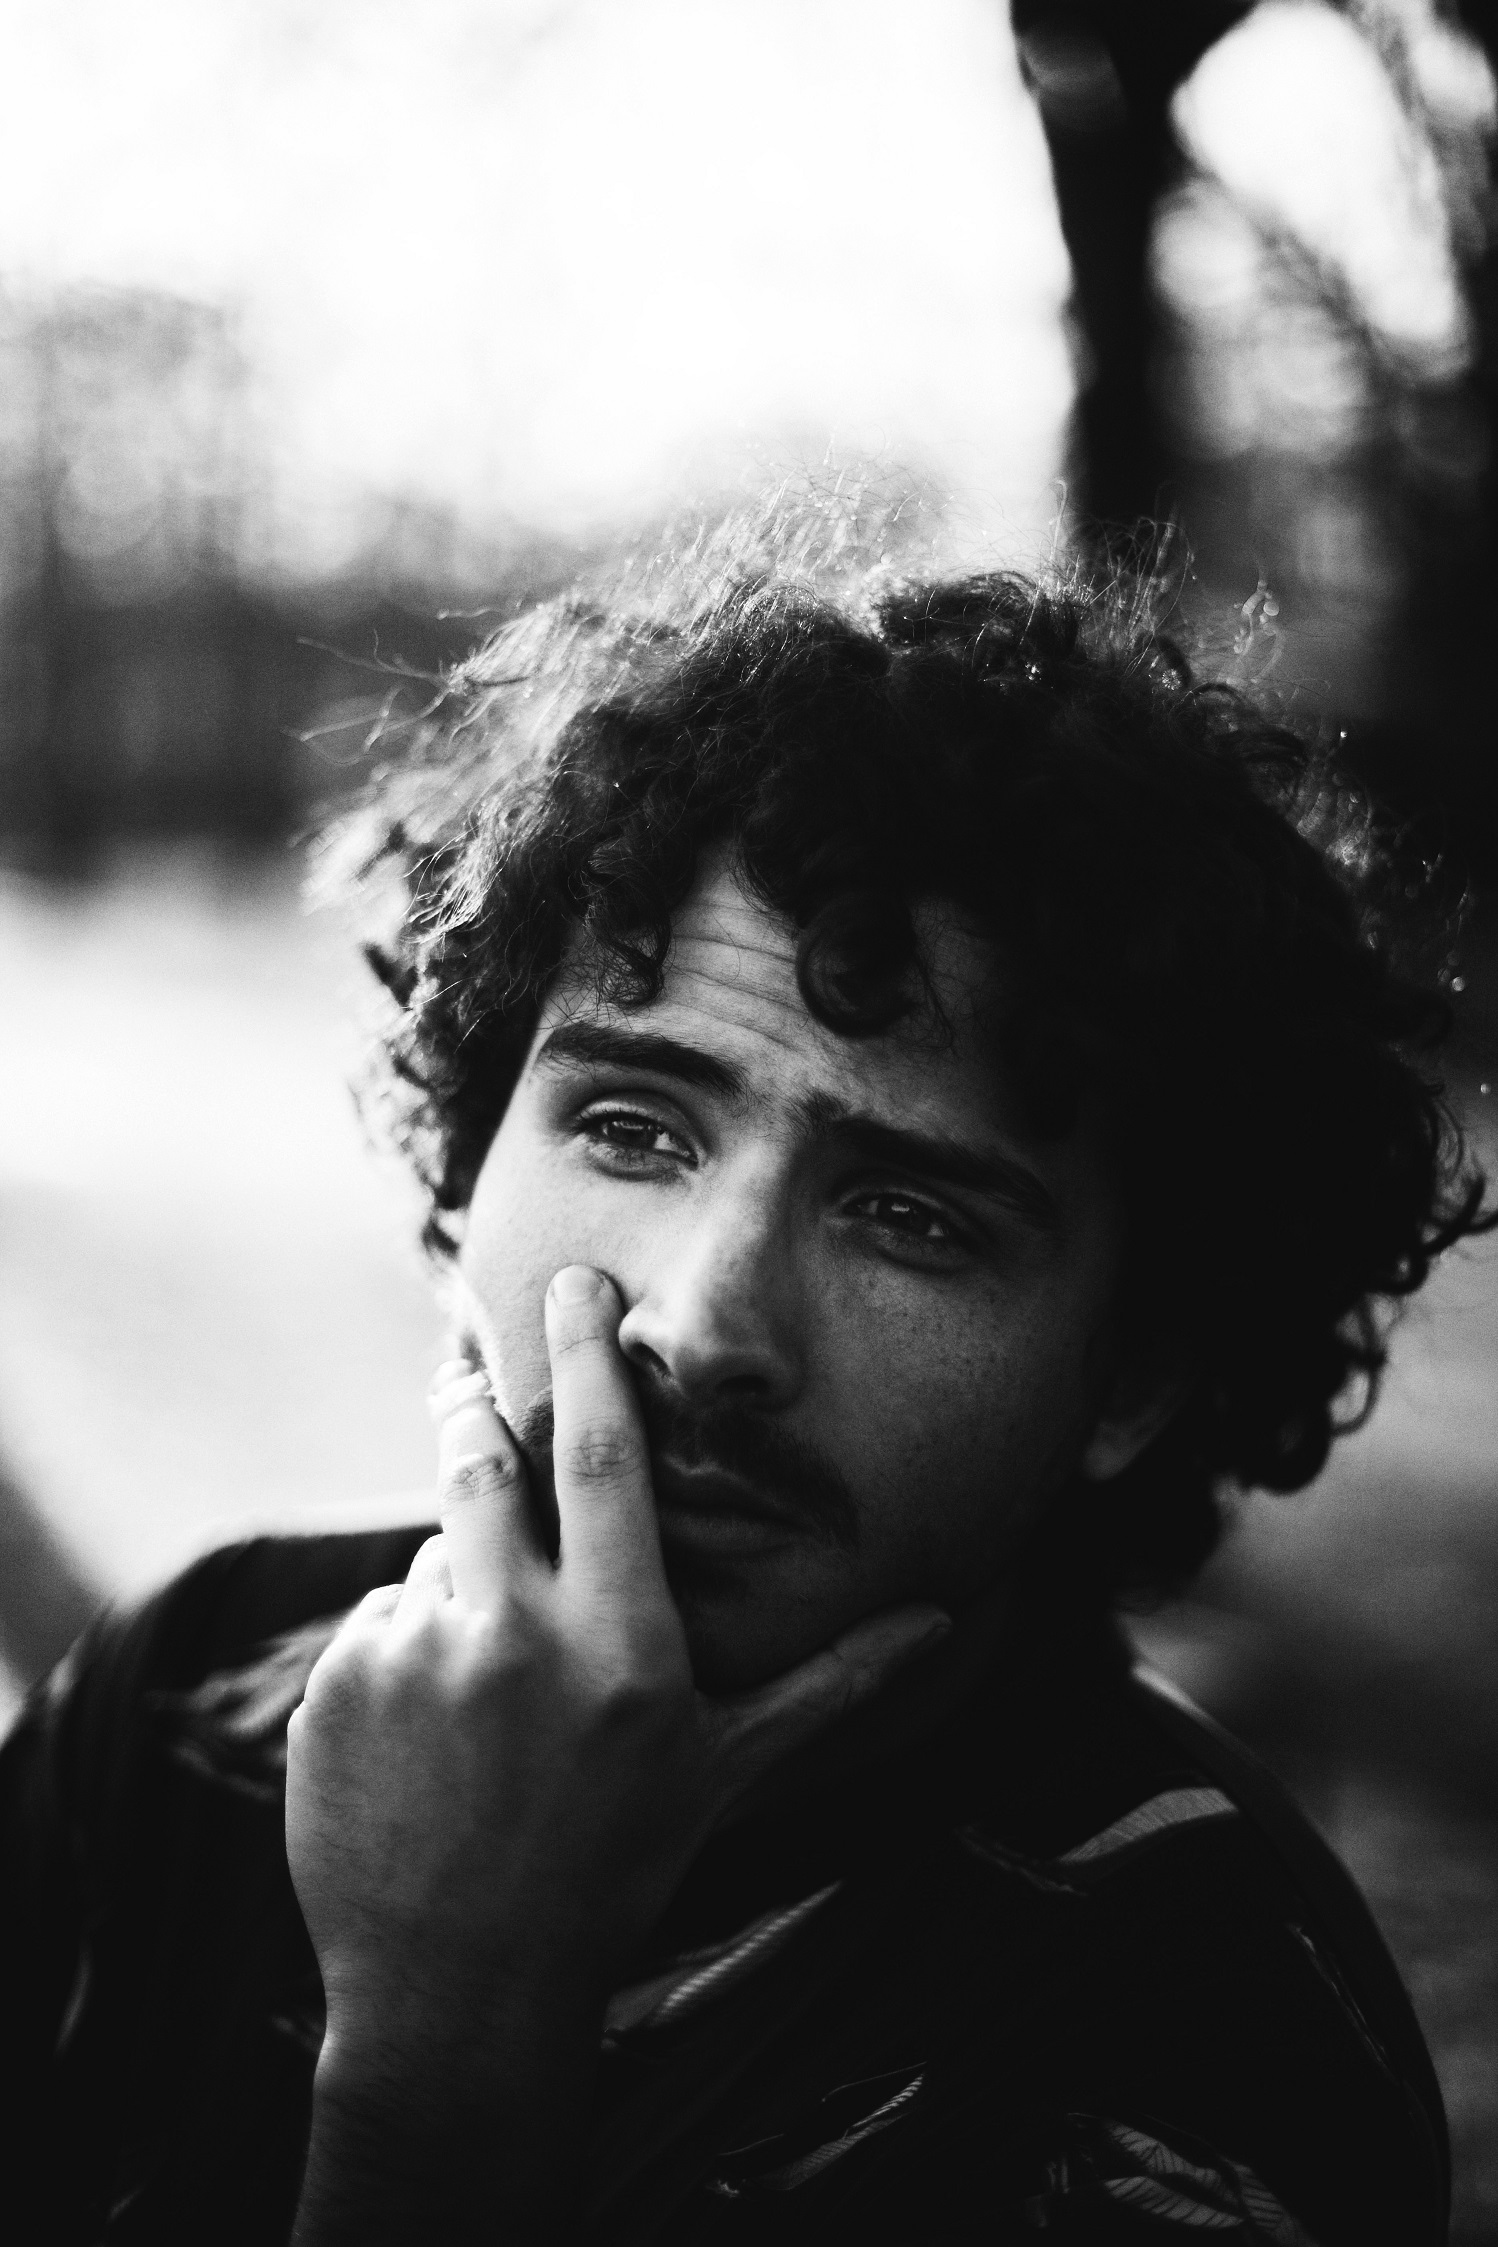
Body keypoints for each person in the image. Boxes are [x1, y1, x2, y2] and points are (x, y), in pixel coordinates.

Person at [2, 513, 1488, 2245]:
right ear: (469, 1169)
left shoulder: (1201, 2038)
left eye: (911, 1217)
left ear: (1133, 1379)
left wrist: (440, 2058)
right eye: (633, 1128)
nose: (702, 1328)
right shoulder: (184, 1700)